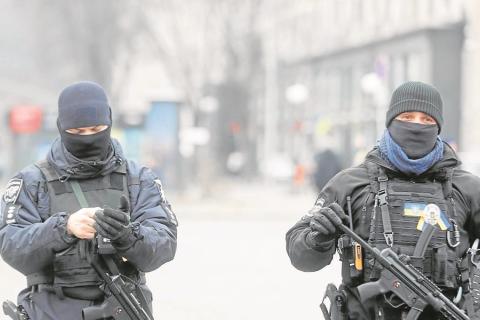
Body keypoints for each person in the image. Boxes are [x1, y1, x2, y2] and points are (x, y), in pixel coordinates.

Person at [285, 81, 480, 319]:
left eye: (427, 120)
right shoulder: (351, 183)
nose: (416, 126)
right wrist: (317, 238)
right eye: (408, 116)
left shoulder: (467, 188)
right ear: (390, 121)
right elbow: (299, 256)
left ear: (438, 126)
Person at [0, 81, 178, 319]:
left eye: (97, 129)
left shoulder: (138, 178)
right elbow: (12, 246)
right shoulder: (32, 181)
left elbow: (165, 243)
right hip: (51, 310)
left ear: (110, 122)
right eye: (78, 132)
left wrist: (127, 235)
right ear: (61, 128)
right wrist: (64, 228)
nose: (88, 138)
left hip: (123, 307)